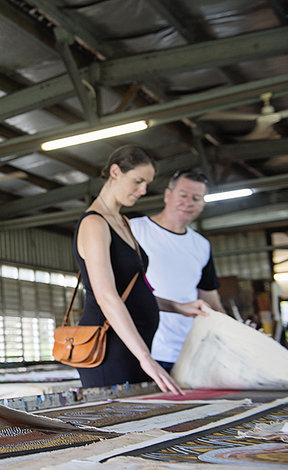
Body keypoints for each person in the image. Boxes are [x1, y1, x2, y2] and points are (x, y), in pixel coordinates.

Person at [73, 146, 207, 394]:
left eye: (147, 183)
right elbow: (106, 296)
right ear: (115, 172)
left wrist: (177, 307)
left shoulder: (122, 222)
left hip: (134, 346)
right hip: (109, 348)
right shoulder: (94, 223)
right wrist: (146, 357)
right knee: (117, 427)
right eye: (138, 181)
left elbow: (133, 291)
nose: (143, 190)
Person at [130, 169, 225, 372]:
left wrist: (235, 330)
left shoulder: (201, 245)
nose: (188, 202)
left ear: (202, 204)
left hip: (189, 352)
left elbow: (210, 300)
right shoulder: (134, 231)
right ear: (167, 195)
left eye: (196, 198)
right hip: (144, 351)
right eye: (183, 195)